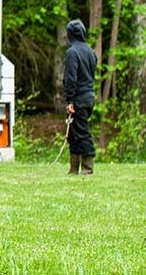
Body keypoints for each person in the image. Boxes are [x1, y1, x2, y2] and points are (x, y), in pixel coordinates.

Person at [62, 19, 98, 175]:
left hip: (78, 98)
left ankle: (87, 169)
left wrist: (69, 100)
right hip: (89, 96)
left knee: (82, 132)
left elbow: (71, 78)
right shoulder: (91, 52)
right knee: (74, 133)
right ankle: (74, 168)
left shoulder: (72, 52)